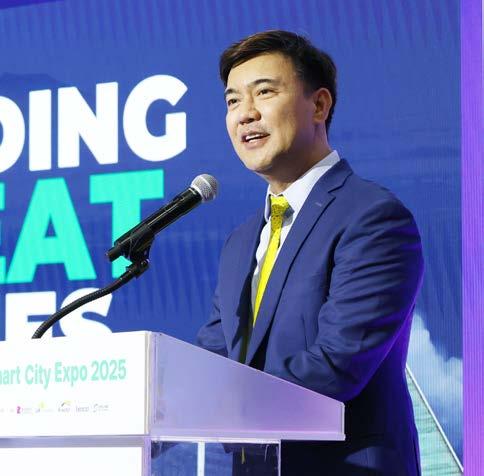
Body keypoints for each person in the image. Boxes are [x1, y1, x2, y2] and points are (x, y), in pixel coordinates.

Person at [197, 30, 424, 476]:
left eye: (264, 92)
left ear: (319, 105)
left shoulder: (372, 217)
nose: (246, 113)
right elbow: (210, 359)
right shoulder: (241, 241)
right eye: (232, 101)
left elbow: (337, 363)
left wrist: (221, 408)